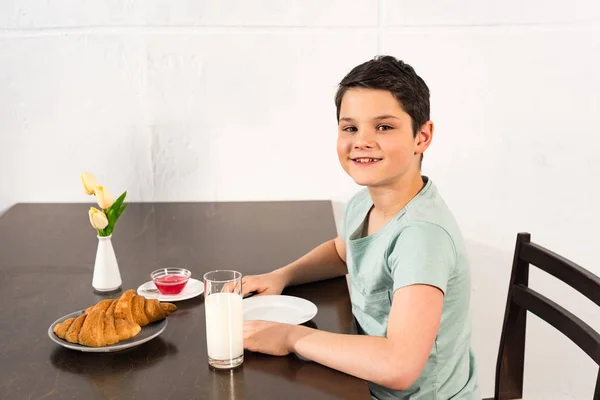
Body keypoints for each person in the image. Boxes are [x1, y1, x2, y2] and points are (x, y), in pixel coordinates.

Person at [242, 55, 480, 399]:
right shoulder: (366, 200)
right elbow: (343, 252)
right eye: (350, 127)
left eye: (384, 127)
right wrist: (282, 276)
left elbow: (399, 367)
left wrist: (290, 337)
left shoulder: (421, 237)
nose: (362, 140)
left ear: (422, 136)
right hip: (364, 380)